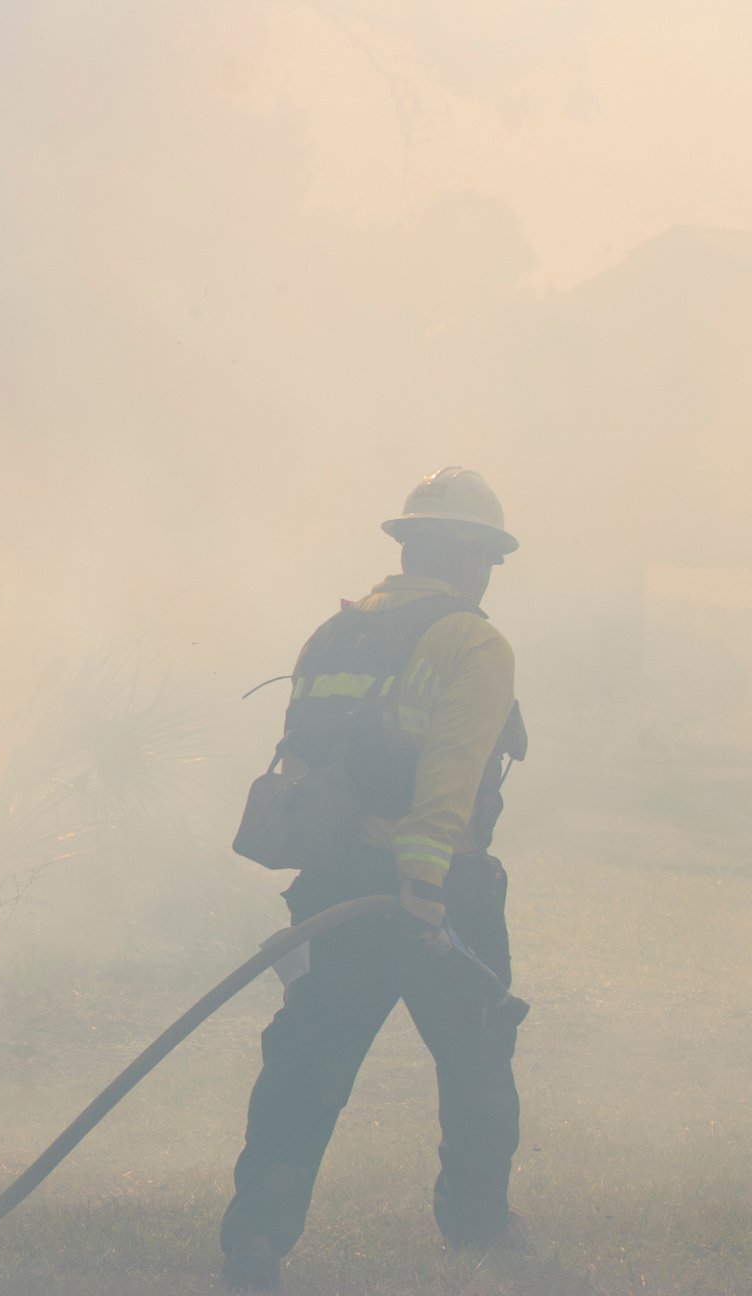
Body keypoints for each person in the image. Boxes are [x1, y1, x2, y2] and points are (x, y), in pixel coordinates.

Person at [220, 467, 528, 1292]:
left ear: (407, 546)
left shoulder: (336, 633)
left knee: (304, 1066)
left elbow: (308, 761)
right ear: (472, 558)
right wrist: (425, 892)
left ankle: (255, 1238)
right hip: (433, 889)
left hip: (333, 888)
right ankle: (478, 1227)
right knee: (476, 1065)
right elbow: (452, 774)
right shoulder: (473, 641)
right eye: (489, 560)